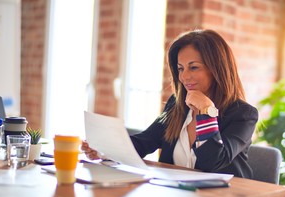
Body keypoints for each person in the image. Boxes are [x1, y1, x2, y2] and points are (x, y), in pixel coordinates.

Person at [82, 29, 258, 178]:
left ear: (217, 69)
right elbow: (144, 142)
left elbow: (213, 161)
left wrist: (207, 111)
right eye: (180, 68)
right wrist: (103, 149)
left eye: (194, 67)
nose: (184, 77)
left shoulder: (243, 114)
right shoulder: (177, 105)